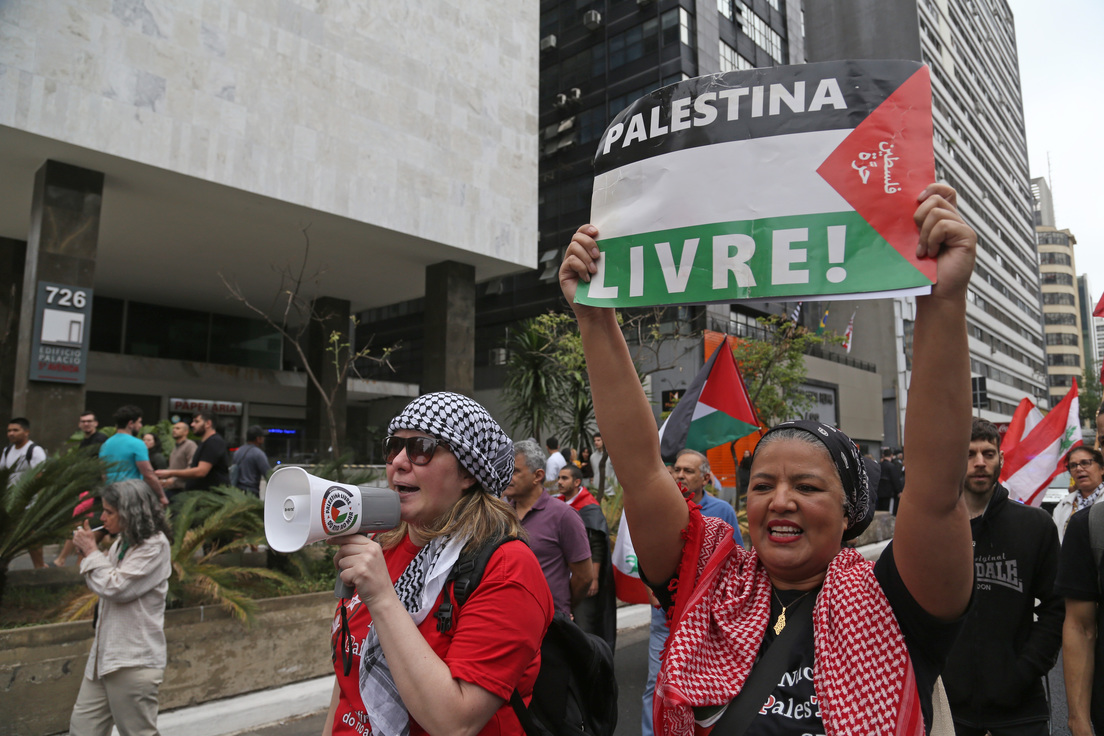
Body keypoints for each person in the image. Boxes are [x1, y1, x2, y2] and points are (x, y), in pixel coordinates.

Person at [560, 183, 976, 734]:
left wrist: (943, 302)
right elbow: (642, 470)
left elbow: (934, 489)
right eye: (761, 486)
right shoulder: (705, 582)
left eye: (806, 487)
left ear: (851, 508)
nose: (780, 501)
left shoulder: (900, 600)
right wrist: (594, 319)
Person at [325, 392, 553, 736]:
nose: (398, 462)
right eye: (393, 446)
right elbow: (348, 682)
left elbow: (456, 723)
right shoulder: (381, 543)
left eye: (421, 448)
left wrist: (384, 598)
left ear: (468, 472)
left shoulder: (507, 568)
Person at [942, 419, 1063, 735]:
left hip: (1020, 711)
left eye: (988, 453)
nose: (980, 462)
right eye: (969, 454)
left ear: (1000, 459)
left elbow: (1056, 607)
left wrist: (1023, 671)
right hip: (950, 711)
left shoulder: (1035, 526)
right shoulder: (935, 530)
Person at [642, 449, 743, 736]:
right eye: (677, 470)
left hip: (706, 621)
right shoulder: (660, 509)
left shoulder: (723, 511)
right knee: (657, 683)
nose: (680, 475)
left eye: (688, 471)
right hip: (666, 616)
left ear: (705, 477)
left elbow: (736, 558)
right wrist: (652, 590)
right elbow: (645, 556)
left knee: (702, 683)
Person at [68, 479, 173, 736]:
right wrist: (91, 555)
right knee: (82, 730)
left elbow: (116, 587)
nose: (103, 518)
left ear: (130, 512)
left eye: (109, 512)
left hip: (132, 662)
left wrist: (91, 552)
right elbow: (101, 581)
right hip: (105, 659)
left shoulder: (155, 545)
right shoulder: (121, 543)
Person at [505, 439, 594, 617]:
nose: (507, 477)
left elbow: (583, 577)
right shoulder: (501, 515)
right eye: (505, 470)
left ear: (537, 476)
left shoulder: (563, 515)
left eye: (514, 471)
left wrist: (561, 608)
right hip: (508, 621)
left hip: (550, 625)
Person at [1055, 445, 1104, 736]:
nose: (1080, 469)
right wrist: (1078, 719)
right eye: (1074, 465)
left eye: (1087, 462)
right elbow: (1080, 626)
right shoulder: (1074, 514)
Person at [556, 464, 616, 647]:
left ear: (576, 482)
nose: (559, 482)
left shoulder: (589, 508)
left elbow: (596, 545)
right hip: (564, 577)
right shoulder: (558, 503)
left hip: (584, 577)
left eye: (564, 478)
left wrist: (593, 578)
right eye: (559, 478)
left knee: (585, 625)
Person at [99, 405, 168, 506]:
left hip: (111, 496)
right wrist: (162, 496)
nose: (140, 426)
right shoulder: (137, 444)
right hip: (131, 496)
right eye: (139, 422)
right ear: (130, 423)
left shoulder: (105, 444)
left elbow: (103, 474)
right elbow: (148, 474)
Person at [3, 417, 49, 568]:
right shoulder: (7, 451)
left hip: (28, 502)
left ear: (26, 432)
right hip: (10, 503)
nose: (11, 433)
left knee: (30, 535)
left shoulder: (34, 451)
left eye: (15, 430)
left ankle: (39, 567)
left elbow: (39, 475)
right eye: (9, 430)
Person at [156, 412, 230, 491]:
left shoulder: (214, 442)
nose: (192, 424)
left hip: (210, 497)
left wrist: (171, 473)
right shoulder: (205, 443)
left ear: (208, 423)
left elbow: (201, 471)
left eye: (196, 421)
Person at [1053, 445, 1104, 541]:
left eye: (1085, 463)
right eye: (1073, 466)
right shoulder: (1063, 505)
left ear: (1102, 469)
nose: (1079, 469)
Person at [232, 425, 271, 496]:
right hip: (251, 492)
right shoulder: (258, 453)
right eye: (262, 437)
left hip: (237, 492)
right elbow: (268, 474)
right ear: (258, 439)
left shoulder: (238, 451)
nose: (264, 439)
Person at [164, 421, 197, 496]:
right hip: (171, 488)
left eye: (178, 428)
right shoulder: (175, 447)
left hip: (183, 490)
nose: (174, 430)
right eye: (174, 428)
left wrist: (174, 479)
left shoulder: (190, 445)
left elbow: (192, 467)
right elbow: (173, 467)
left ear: (186, 432)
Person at [877, 446, 905, 514]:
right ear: (891, 455)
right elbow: (895, 479)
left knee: (880, 511)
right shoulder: (892, 467)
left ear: (883, 455)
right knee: (888, 512)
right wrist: (899, 491)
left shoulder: (878, 465)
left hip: (878, 493)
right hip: (889, 493)